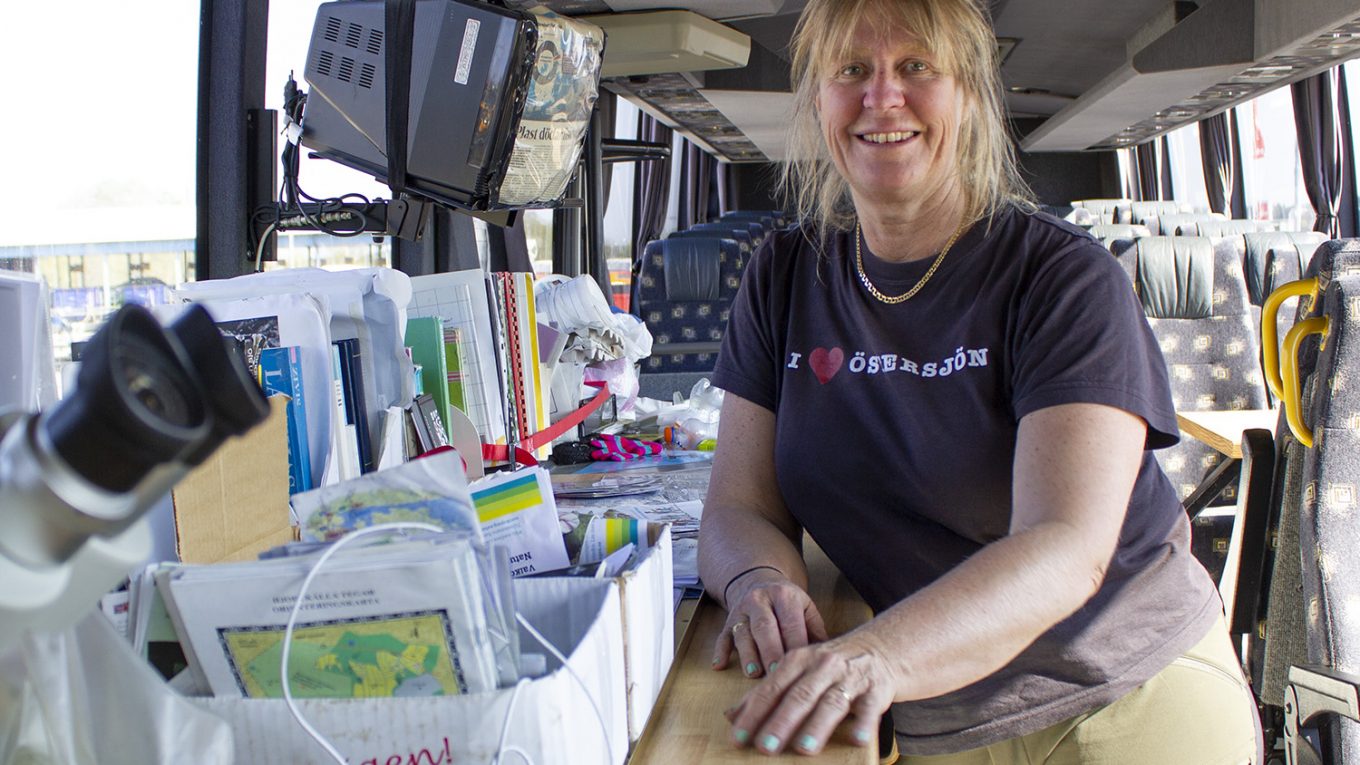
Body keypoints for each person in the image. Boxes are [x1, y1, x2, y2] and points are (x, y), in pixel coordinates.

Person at [696, 0, 1262, 762]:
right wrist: (759, 581)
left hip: (1125, 696)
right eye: (852, 71)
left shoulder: (1061, 278)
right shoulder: (784, 275)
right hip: (939, 717)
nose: (882, 97)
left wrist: (875, 655)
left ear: (969, 95)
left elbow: (1066, 546)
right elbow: (737, 504)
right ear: (819, 101)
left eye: (916, 68)